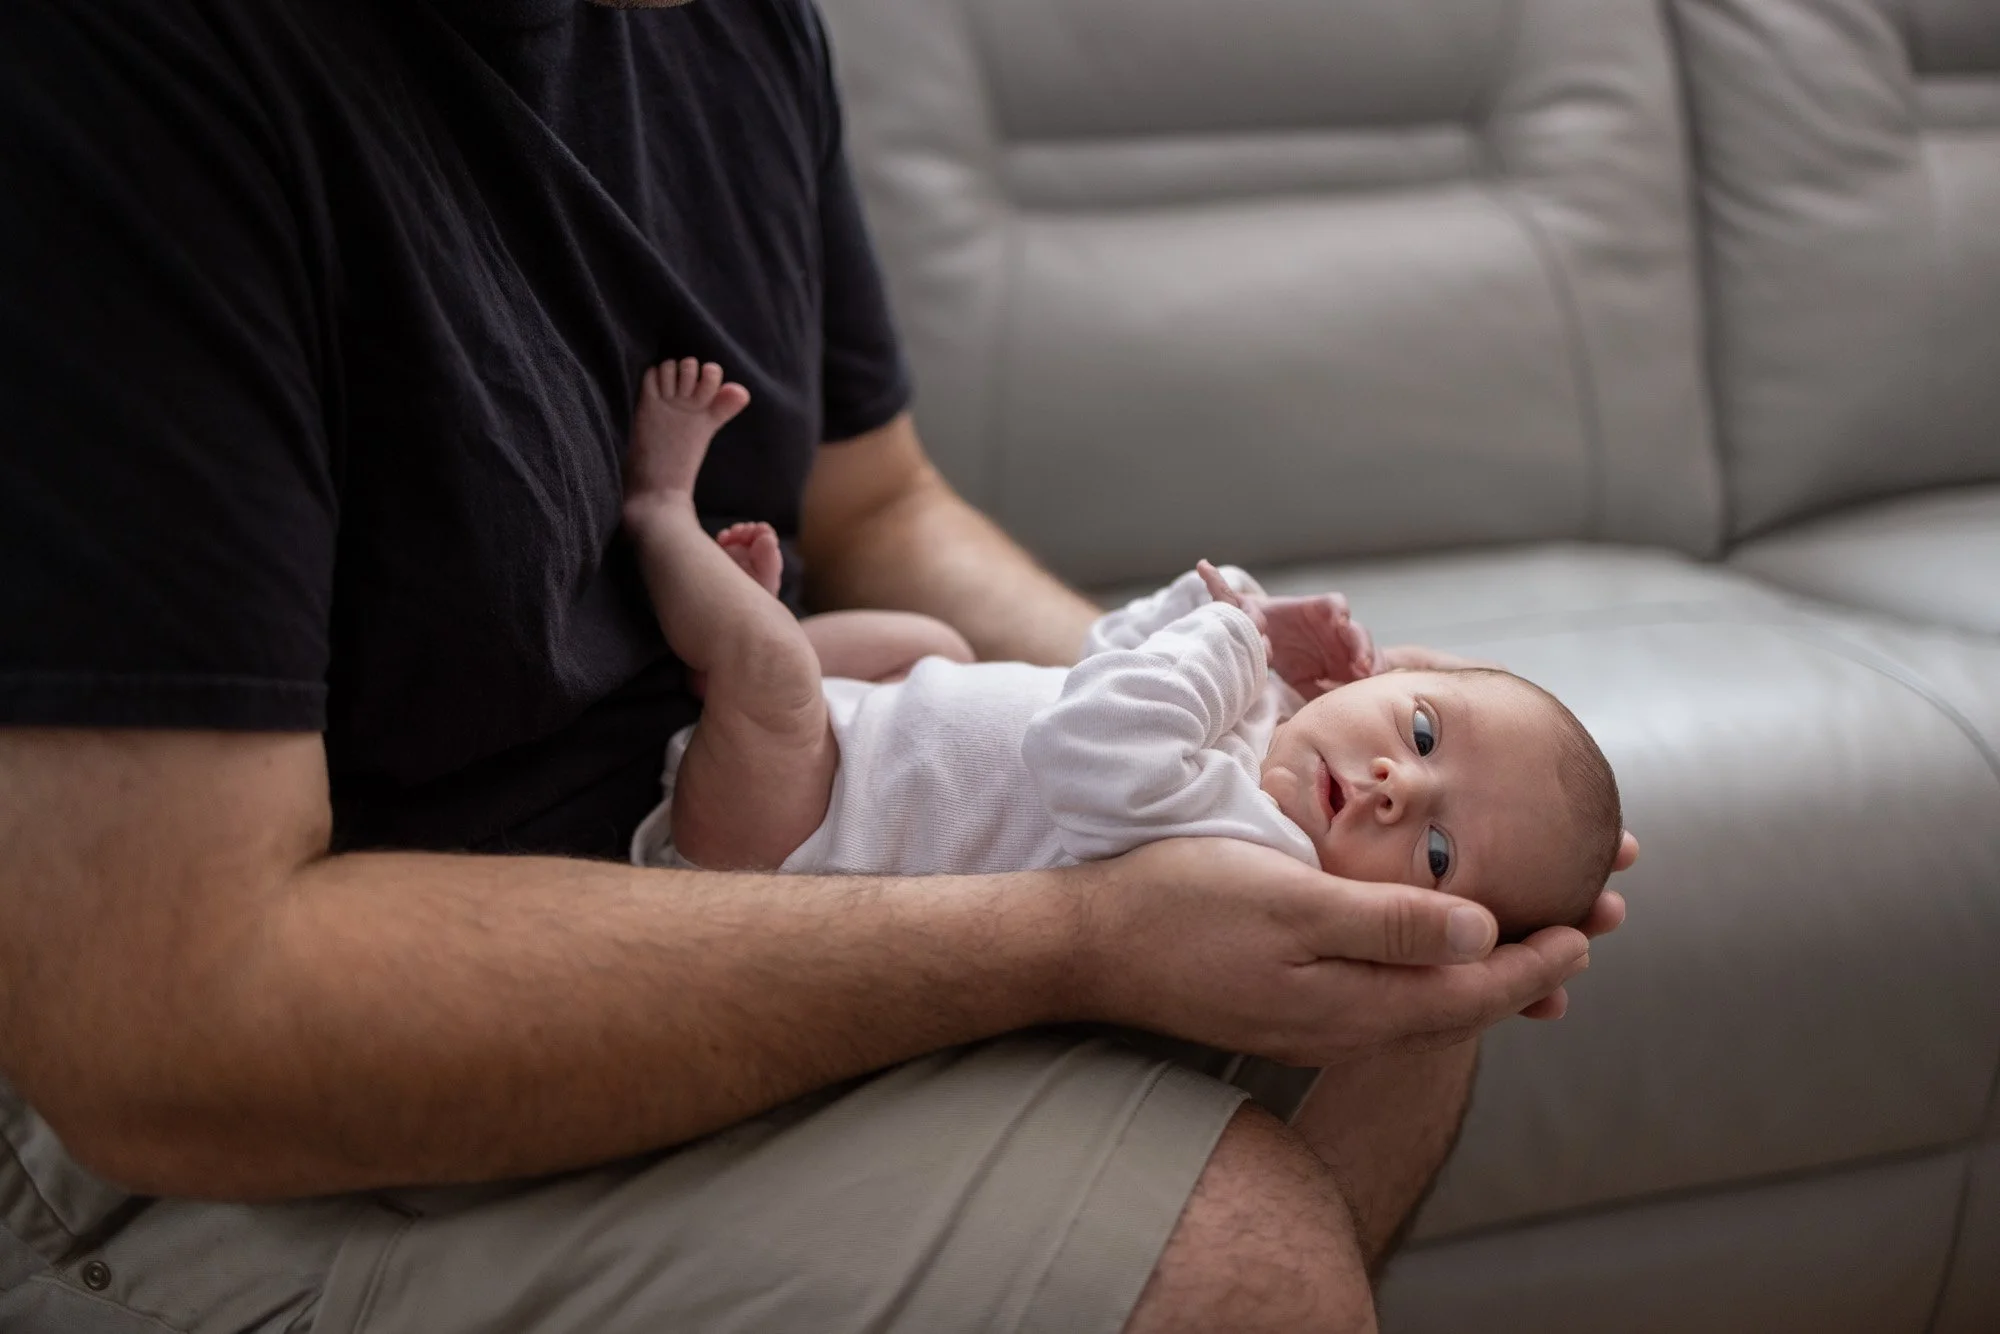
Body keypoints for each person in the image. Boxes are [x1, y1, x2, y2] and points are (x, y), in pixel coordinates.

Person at [0, 1, 1629, 1331]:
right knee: (1239, 1266)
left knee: (1403, 970)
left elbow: (877, 502)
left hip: (732, 861)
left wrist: (1269, 763)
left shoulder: (733, 30)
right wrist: (1077, 929)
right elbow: (170, 1032)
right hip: (225, 1127)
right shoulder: (121, 86)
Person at [625, 358, 1622, 948]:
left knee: (777, 680)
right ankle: (733, 670)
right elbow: (1108, 659)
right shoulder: (1261, 738)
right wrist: (1228, 609)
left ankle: (661, 511)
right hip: (855, 750)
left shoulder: (1252, 855)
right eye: (1417, 729)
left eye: (1436, 853)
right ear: (1381, 674)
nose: (1391, 784)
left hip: (784, 840)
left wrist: (1235, 634)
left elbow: (1091, 737)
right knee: (928, 642)